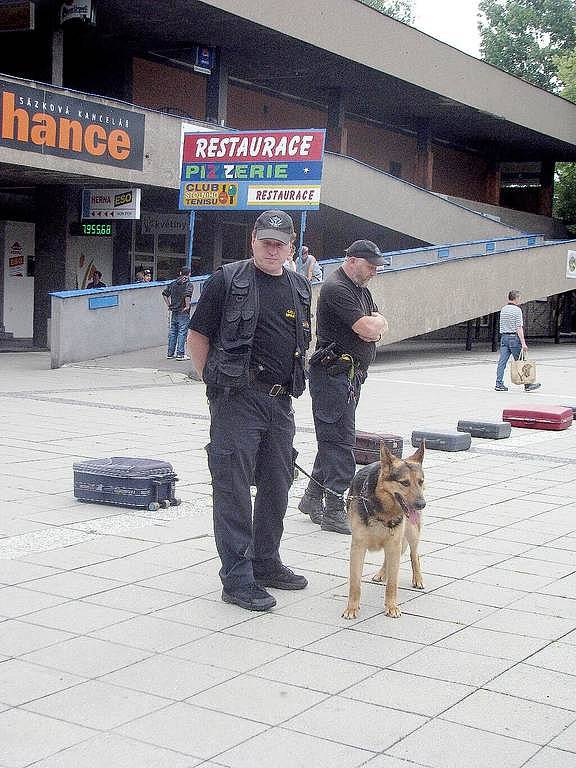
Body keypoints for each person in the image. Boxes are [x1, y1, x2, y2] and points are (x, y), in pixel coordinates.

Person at [187, 209, 312, 612]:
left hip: (280, 401)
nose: (272, 249)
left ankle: (266, 562)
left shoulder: (299, 286)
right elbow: (198, 335)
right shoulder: (227, 280)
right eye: (266, 241)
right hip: (237, 400)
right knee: (233, 489)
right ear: (253, 241)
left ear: (290, 247)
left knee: (278, 483)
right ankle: (237, 579)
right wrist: (215, 384)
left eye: (280, 243)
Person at [299, 239, 388, 534]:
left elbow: (378, 321)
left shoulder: (359, 288)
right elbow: (366, 327)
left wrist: (376, 325)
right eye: (370, 265)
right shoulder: (337, 288)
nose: (374, 271)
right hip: (334, 376)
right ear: (351, 260)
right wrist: (374, 327)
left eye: (377, 267)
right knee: (340, 442)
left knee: (332, 438)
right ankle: (335, 508)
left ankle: (312, 498)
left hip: (347, 376)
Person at [495, 290, 541, 392]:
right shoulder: (517, 310)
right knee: (521, 361)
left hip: (504, 338)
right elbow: (519, 327)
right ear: (516, 298)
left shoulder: (503, 309)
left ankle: (498, 383)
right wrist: (523, 343)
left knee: (502, 362)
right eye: (519, 298)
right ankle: (527, 384)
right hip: (513, 339)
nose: (520, 300)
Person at [162, 266, 193, 360]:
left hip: (174, 311)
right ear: (189, 274)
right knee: (182, 332)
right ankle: (180, 354)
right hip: (183, 312)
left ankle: (170, 353)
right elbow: (187, 295)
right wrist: (187, 306)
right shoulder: (188, 284)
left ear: (180, 273)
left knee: (173, 332)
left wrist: (169, 305)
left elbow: (164, 294)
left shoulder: (173, 284)